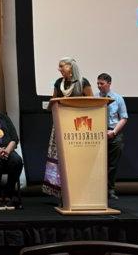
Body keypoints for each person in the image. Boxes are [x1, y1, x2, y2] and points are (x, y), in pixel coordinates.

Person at [42, 57, 93, 198]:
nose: (59, 69)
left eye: (61, 66)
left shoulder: (83, 82)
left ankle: (81, 190)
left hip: (80, 126)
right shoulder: (59, 83)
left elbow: (92, 102)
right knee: (60, 157)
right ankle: (59, 191)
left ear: (70, 67)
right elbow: (54, 101)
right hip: (61, 124)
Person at [96, 73, 128, 200]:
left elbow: (124, 117)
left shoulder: (118, 98)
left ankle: (110, 190)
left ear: (109, 83)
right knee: (97, 163)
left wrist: (113, 132)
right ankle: (96, 189)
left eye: (101, 84)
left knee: (112, 164)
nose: (99, 86)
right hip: (98, 134)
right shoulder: (94, 97)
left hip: (114, 134)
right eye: (97, 83)